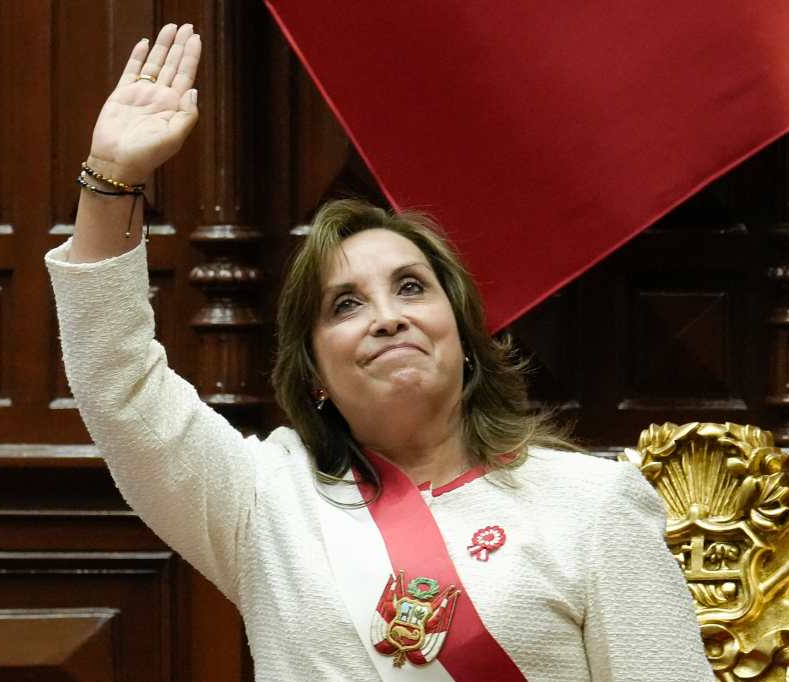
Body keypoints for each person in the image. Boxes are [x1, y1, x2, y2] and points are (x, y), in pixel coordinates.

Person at [46, 22, 716, 681]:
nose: (388, 319)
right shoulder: (263, 501)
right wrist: (111, 179)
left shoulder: (592, 504)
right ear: (314, 375)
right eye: (346, 305)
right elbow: (118, 384)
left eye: (411, 288)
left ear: (465, 337)